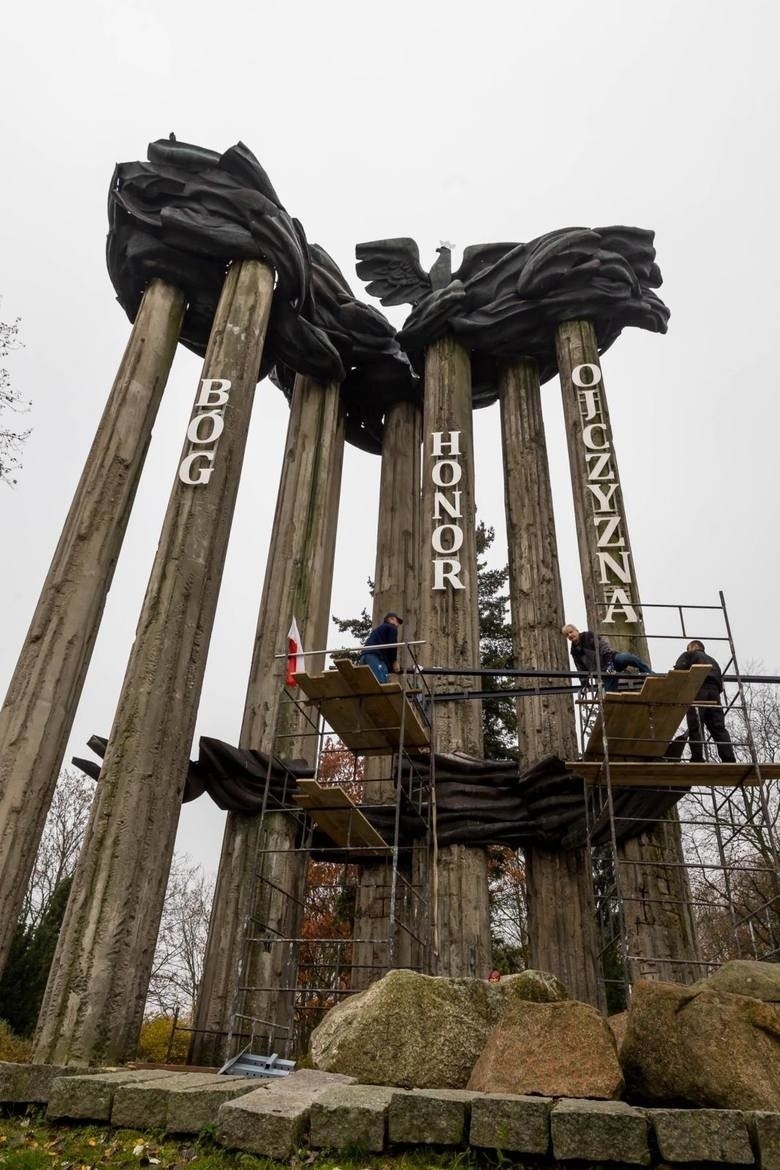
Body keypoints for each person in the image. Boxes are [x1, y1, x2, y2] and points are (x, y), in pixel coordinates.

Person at [674, 639, 735, 763]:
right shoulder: (714, 662)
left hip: (698, 689)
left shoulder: (690, 655)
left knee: (696, 724)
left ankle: (697, 757)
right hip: (715, 694)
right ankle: (729, 758)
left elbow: (678, 672)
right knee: (718, 727)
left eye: (688, 648)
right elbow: (721, 684)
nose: (687, 650)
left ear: (694, 646)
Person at [562, 623, 653, 693]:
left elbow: (603, 647)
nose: (570, 635)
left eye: (571, 632)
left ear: (576, 631)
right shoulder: (575, 652)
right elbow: (581, 669)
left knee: (628, 658)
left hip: (611, 659)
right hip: (602, 671)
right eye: (567, 635)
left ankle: (649, 673)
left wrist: (609, 663)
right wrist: (584, 684)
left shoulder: (588, 636)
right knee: (611, 693)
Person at [359, 612, 403, 684]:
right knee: (380, 683)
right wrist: (394, 662)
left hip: (363, 657)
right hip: (375, 657)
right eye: (397, 621)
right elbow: (392, 645)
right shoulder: (391, 627)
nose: (398, 625)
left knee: (366, 684)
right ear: (391, 619)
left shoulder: (378, 630)